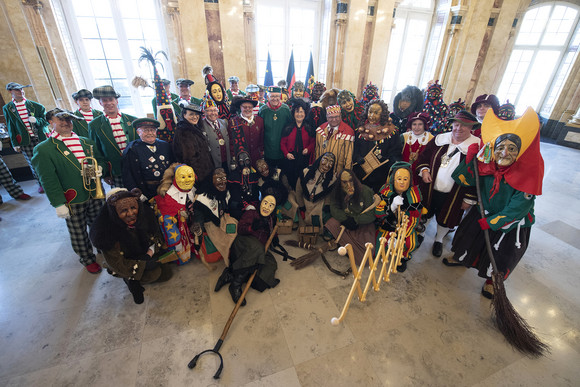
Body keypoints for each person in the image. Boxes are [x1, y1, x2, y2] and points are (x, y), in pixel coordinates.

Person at [444, 108, 543, 300]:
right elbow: (464, 180)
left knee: (501, 254)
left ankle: (492, 281)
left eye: (511, 149)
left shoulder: (527, 174)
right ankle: (462, 258)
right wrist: (470, 160)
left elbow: (518, 208)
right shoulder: (488, 164)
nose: (504, 152)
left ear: (519, 152)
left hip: (509, 222)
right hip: (483, 211)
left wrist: (493, 222)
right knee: (468, 238)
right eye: (500, 148)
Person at [32, 109, 106, 274]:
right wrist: (58, 203)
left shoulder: (87, 142)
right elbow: (48, 179)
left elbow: (99, 159)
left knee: (100, 224)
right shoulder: (44, 149)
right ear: (50, 122)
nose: (66, 123)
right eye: (60, 120)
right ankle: (87, 259)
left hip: (94, 192)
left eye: (69, 120)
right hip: (73, 197)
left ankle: (104, 248)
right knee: (78, 231)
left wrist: (99, 167)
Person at [415, 110, 480, 258]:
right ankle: (422, 234)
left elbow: (477, 176)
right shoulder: (440, 139)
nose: (459, 128)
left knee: (446, 218)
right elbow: (423, 157)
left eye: (464, 126)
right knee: (426, 213)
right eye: (456, 124)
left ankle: (438, 240)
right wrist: (425, 171)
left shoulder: (476, 147)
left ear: (471, 128)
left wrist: (469, 198)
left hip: (456, 193)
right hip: (431, 188)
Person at [90, 188, 172, 304]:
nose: (130, 214)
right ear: (115, 213)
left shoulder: (145, 215)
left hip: (145, 253)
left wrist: (149, 254)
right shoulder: (106, 233)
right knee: (153, 274)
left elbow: (157, 237)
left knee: (166, 274)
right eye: (123, 210)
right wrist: (142, 265)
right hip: (127, 261)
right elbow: (117, 264)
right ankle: (130, 279)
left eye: (133, 208)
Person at [224, 191, 281, 305]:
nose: (267, 207)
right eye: (265, 203)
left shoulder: (271, 219)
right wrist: (252, 228)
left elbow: (272, 231)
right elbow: (240, 229)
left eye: (271, 205)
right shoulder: (252, 213)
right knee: (257, 248)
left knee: (271, 263)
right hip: (243, 245)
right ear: (261, 202)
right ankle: (235, 285)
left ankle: (233, 274)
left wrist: (275, 238)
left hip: (258, 250)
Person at [375, 162, 423, 272]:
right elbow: (377, 212)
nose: (402, 182)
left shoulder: (414, 194)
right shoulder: (385, 190)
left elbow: (415, 218)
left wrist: (401, 235)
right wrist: (391, 207)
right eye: (399, 178)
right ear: (393, 179)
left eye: (405, 179)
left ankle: (404, 257)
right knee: (379, 249)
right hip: (388, 224)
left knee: (411, 243)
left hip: (406, 227)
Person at [3, 82, 50, 193]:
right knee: (33, 163)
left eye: (22, 89)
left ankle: (55, 181)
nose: (21, 91)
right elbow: (11, 126)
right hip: (25, 140)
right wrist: (15, 143)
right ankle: (41, 183)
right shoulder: (8, 108)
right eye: (18, 90)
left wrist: (37, 121)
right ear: (11, 92)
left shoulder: (36, 106)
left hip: (40, 138)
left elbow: (47, 121)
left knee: (47, 160)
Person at [89, 85, 138, 188]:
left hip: (136, 167)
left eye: (111, 99)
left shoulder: (133, 120)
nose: (109, 103)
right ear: (100, 103)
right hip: (115, 171)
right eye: (105, 100)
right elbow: (96, 152)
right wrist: (105, 174)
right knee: (120, 200)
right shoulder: (95, 125)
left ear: (116, 100)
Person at [324, 169, 376, 265]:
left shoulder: (366, 191)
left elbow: (371, 215)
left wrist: (356, 220)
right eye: (344, 182)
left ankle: (345, 243)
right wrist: (345, 219)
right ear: (340, 183)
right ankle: (346, 244)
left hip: (361, 226)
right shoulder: (337, 191)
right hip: (346, 222)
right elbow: (334, 208)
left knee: (365, 259)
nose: (349, 185)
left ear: (355, 180)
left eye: (351, 180)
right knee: (332, 223)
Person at [353, 99, 402, 192]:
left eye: (376, 113)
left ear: (382, 114)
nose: (371, 116)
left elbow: (396, 152)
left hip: (381, 176)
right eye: (370, 112)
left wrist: (389, 161)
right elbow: (354, 148)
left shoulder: (392, 131)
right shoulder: (361, 129)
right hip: (362, 174)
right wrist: (357, 157)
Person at [153, 163, 197, 265]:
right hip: (177, 230)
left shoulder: (194, 191)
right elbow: (166, 221)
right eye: (183, 177)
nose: (187, 180)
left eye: (190, 176)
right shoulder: (168, 198)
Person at [192, 168, 237, 266]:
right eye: (218, 179)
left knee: (234, 235)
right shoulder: (203, 198)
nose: (222, 182)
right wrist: (198, 232)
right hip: (210, 226)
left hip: (224, 219)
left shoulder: (226, 190)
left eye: (224, 178)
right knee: (215, 255)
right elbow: (198, 219)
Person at [122, 118, 174, 200]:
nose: (150, 133)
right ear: (138, 132)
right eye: (145, 130)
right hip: (146, 192)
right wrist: (136, 193)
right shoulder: (132, 149)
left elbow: (173, 165)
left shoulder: (165, 145)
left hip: (167, 189)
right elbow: (128, 175)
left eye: (152, 130)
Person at [172, 102, 214, 184]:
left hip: (204, 171)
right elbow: (189, 158)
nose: (195, 117)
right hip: (197, 175)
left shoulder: (194, 128)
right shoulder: (184, 132)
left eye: (197, 114)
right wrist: (199, 177)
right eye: (191, 114)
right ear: (184, 115)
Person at [295, 153, 337, 229]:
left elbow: (328, 194)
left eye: (331, 162)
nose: (327, 165)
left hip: (318, 204)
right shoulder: (306, 171)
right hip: (304, 202)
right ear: (320, 159)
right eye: (325, 160)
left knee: (319, 219)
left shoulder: (332, 179)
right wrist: (301, 206)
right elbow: (298, 191)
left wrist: (327, 205)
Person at [280, 98, 315, 189]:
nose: (299, 114)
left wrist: (308, 149)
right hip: (291, 159)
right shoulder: (288, 127)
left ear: (305, 113)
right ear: (293, 113)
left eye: (301, 112)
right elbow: (282, 143)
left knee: (303, 179)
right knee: (291, 179)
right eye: (297, 112)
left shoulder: (309, 127)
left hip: (304, 159)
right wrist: (286, 153)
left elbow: (313, 142)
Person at [258, 86, 293, 169]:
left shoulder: (286, 109)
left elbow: (291, 128)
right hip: (268, 151)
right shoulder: (263, 110)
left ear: (280, 96)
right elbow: (259, 131)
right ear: (267, 97)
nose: (275, 99)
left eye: (277, 96)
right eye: (272, 96)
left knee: (282, 175)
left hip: (283, 150)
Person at [314, 105, 354, 175]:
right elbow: (317, 151)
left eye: (337, 116)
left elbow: (348, 158)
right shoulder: (320, 130)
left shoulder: (348, 132)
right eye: (331, 117)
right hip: (321, 171)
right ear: (326, 117)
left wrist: (346, 174)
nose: (334, 119)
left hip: (336, 173)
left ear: (340, 116)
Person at [228, 96, 264, 169]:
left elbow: (262, 140)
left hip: (256, 158)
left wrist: (261, 155)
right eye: (245, 107)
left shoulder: (260, 121)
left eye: (250, 107)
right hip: (241, 160)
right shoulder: (233, 122)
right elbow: (231, 143)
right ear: (240, 107)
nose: (247, 109)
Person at [401, 111, 434, 184]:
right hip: (402, 174)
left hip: (420, 176)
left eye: (420, 124)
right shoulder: (403, 137)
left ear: (424, 125)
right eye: (414, 124)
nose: (416, 127)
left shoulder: (431, 139)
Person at [200, 97, 230, 172]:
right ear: (204, 112)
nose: (213, 113)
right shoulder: (201, 126)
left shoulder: (223, 122)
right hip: (212, 164)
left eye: (214, 110)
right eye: (209, 111)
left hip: (227, 161)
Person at [227, 151, 260, 220]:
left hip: (252, 202)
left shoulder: (254, 174)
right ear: (238, 163)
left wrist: (253, 205)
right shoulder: (234, 175)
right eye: (242, 162)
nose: (245, 164)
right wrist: (246, 205)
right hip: (239, 203)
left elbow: (255, 193)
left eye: (247, 161)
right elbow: (234, 194)